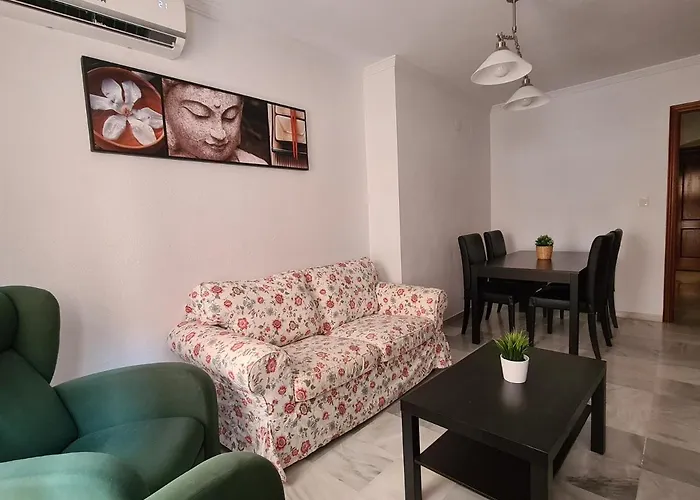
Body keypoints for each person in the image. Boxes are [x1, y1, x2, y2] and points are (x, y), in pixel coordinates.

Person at [163, 79, 268, 164]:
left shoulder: (255, 163)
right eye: (200, 114)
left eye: (230, 117)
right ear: (167, 113)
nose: (220, 135)